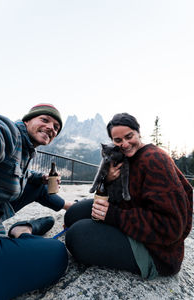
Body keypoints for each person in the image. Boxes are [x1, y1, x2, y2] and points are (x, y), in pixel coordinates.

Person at [64, 112, 193, 279]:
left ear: (138, 132)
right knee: (73, 214)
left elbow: (171, 227)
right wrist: (109, 180)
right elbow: (118, 196)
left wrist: (113, 215)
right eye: (118, 141)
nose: (124, 144)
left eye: (129, 136)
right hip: (132, 221)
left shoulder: (155, 159)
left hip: (157, 252)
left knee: (77, 236)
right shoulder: (125, 158)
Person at [0, 103, 71, 299]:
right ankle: (23, 231)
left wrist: (41, 179)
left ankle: (69, 208)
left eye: (56, 127)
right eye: (44, 120)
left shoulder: (27, 151)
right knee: (56, 254)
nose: (50, 128)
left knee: (38, 183)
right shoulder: (9, 131)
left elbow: (25, 175)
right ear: (27, 120)